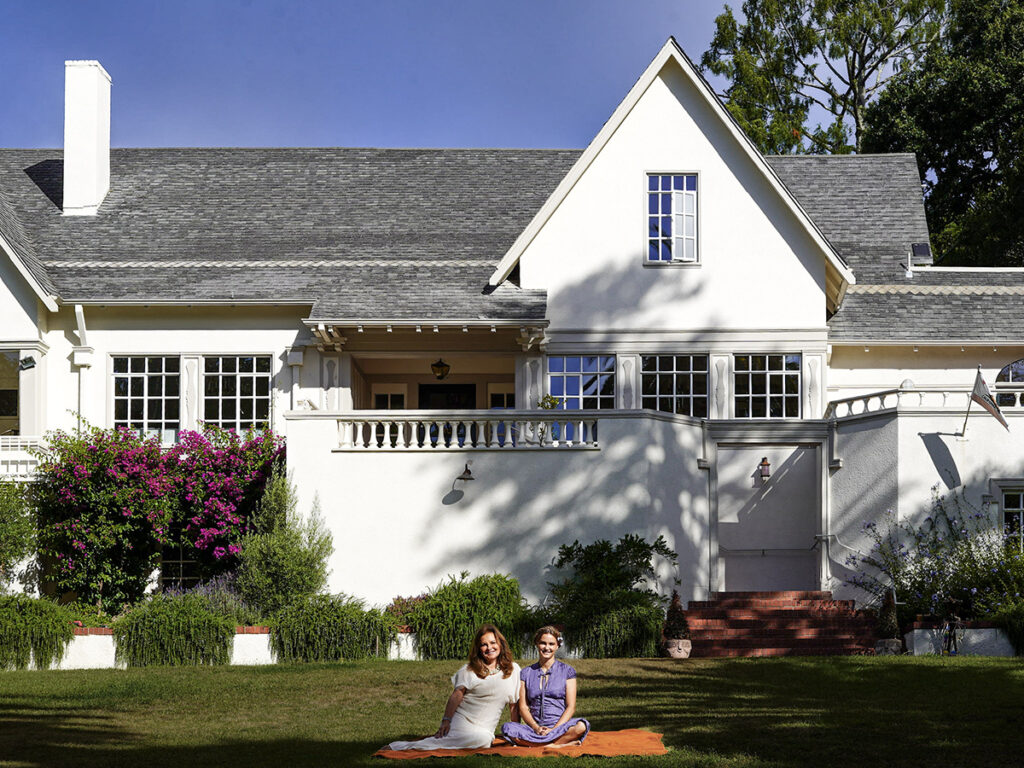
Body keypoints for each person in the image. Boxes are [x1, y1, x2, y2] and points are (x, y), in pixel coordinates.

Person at [386, 624, 521, 751]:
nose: (489, 647)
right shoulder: (469, 670)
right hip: (463, 722)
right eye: (484, 645)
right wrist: (446, 721)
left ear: (500, 644)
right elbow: (457, 695)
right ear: (478, 649)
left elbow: (514, 705)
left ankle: (418, 745)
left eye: (493, 642)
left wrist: (516, 735)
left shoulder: (513, 670)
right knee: (480, 740)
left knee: (484, 740)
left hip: (485, 729)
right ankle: (401, 747)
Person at [501, 626, 590, 748]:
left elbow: (571, 707)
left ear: (557, 646)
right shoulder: (526, 672)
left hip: (560, 727)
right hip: (534, 730)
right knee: (507, 728)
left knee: (581, 725)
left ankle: (542, 744)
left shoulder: (568, 671)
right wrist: (536, 727)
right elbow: (523, 707)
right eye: (543, 643)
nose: (547, 647)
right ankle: (557, 744)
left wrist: (554, 729)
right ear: (537, 644)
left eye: (551, 644)